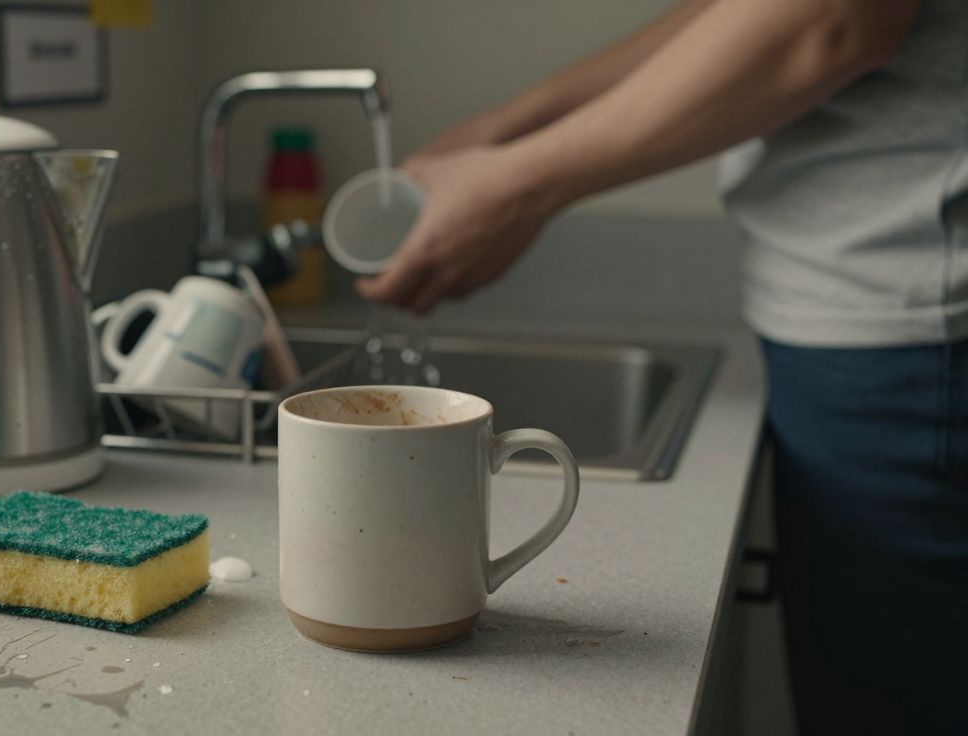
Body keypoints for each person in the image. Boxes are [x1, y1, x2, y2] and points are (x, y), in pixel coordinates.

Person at [358, 1, 967, 734]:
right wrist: (510, 130)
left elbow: (833, 18)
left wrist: (522, 182)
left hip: (916, 326)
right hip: (878, 317)